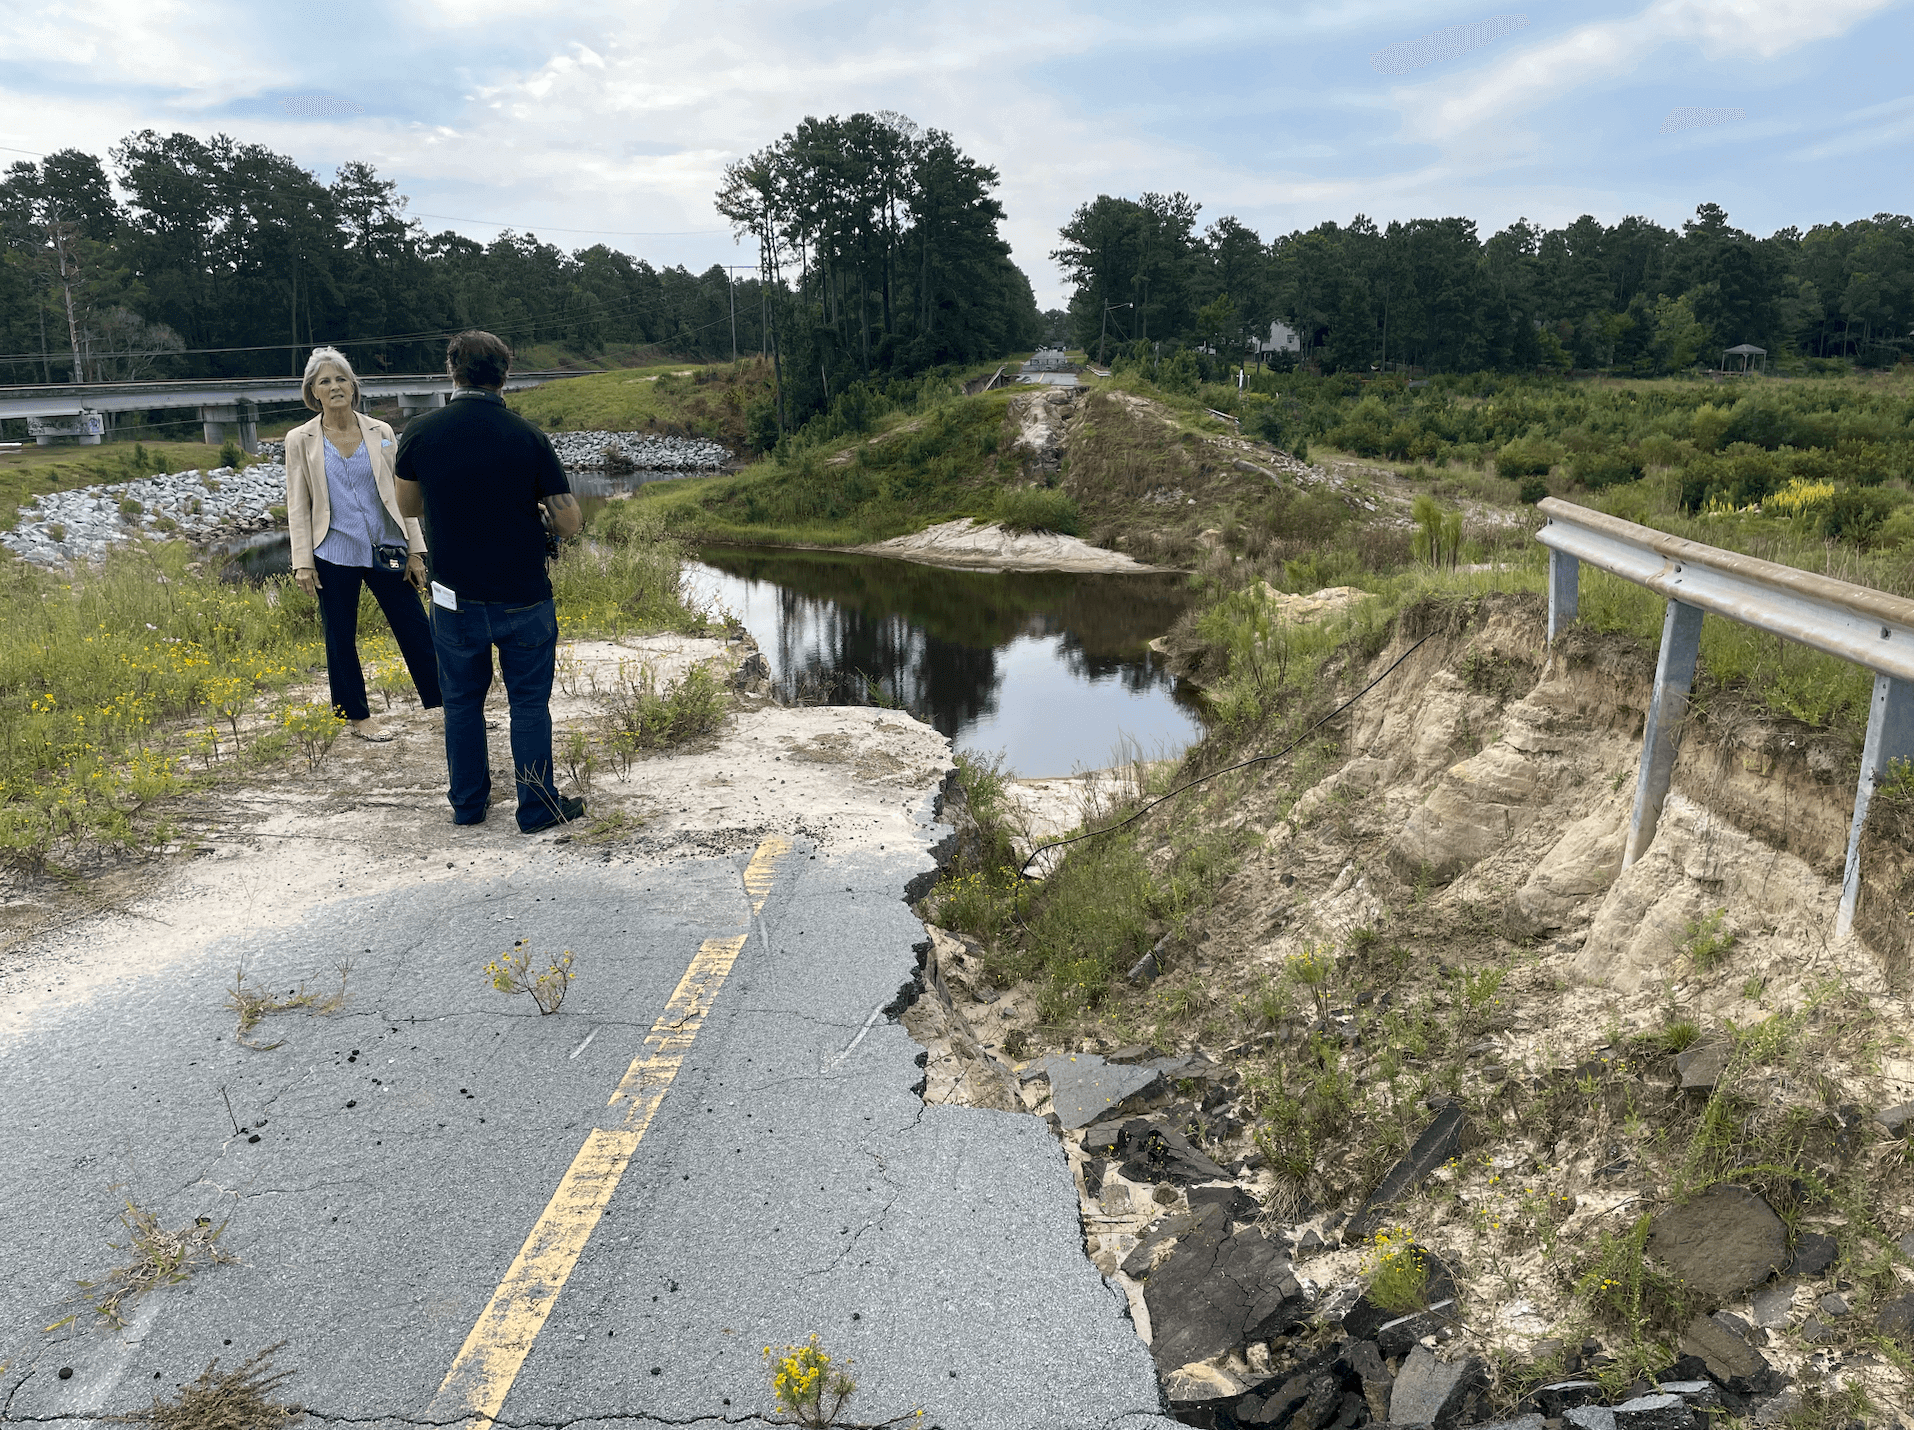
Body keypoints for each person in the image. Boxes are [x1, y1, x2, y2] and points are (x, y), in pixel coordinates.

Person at [394, 330, 585, 832]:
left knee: (460, 703)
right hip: (523, 594)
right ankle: (537, 807)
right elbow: (569, 522)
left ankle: (469, 805)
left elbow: (409, 506)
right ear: (507, 373)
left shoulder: (419, 432)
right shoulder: (526, 436)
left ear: (451, 370)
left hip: (454, 595)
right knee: (527, 703)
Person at [285, 346, 442, 741]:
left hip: (388, 548)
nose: (335, 387)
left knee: (417, 630)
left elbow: (401, 494)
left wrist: (416, 549)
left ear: (354, 386)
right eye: (325, 382)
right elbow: (297, 504)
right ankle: (356, 716)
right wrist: (302, 561)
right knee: (339, 636)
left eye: (341, 379)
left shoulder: (381, 432)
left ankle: (445, 706)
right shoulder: (299, 439)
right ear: (313, 392)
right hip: (333, 552)